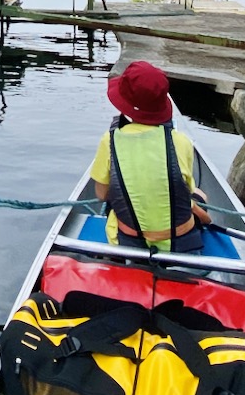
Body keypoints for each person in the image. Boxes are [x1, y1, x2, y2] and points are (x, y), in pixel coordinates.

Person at [90, 60, 211, 252]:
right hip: (181, 242)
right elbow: (184, 191)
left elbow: (101, 194)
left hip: (129, 241)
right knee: (200, 194)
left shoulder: (109, 141)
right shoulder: (181, 141)